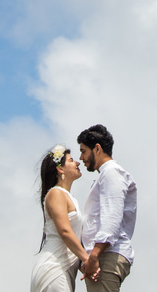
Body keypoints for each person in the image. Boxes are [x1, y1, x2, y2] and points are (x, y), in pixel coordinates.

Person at [77, 125, 136, 292]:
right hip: (102, 256)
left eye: (83, 151)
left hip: (106, 256)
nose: (81, 157)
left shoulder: (111, 173)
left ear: (97, 148)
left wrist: (94, 255)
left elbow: (112, 215)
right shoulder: (106, 175)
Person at [30, 144, 89, 292]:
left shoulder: (70, 197)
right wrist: (87, 259)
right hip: (54, 266)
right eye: (71, 160)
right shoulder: (56, 193)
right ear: (60, 169)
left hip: (65, 268)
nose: (77, 163)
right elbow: (64, 231)